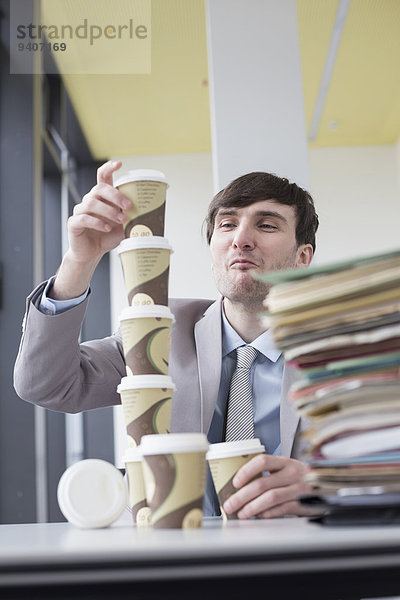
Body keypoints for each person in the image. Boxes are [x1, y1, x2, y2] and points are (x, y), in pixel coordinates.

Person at [14, 160, 319, 519]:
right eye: (227, 224)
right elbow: (45, 385)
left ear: (303, 257)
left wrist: (325, 485)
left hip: (300, 554)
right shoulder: (159, 329)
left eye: (266, 225)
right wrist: (80, 260)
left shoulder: (345, 352)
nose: (241, 239)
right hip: (172, 553)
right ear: (212, 252)